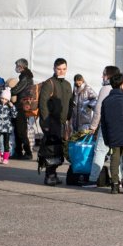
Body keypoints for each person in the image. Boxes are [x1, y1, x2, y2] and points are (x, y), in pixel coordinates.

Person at [88, 66, 123, 186]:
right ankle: (120, 180)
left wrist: (93, 126)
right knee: (120, 155)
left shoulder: (106, 88)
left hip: (108, 126)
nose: (102, 77)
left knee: (100, 151)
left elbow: (98, 110)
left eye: (104, 74)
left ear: (109, 76)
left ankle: (93, 179)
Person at [38, 58, 73, 186]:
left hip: (63, 123)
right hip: (51, 122)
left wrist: (68, 119)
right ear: (54, 68)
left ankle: (53, 174)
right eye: (59, 69)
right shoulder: (49, 83)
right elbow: (43, 105)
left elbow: (70, 102)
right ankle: (50, 175)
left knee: (59, 150)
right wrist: (45, 125)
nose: (61, 71)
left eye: (64, 69)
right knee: (51, 150)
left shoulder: (68, 84)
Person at [9, 59, 34, 159]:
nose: (16, 68)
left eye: (17, 66)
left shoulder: (25, 77)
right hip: (21, 106)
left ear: (22, 67)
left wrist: (8, 90)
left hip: (21, 106)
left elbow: (17, 89)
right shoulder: (26, 76)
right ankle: (18, 151)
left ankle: (28, 153)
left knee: (21, 131)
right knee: (17, 130)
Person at [0, 89, 16, 164]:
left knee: (6, 143)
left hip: (7, 128)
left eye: (6, 99)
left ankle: (5, 158)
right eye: (2, 98)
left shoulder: (9, 106)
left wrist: (12, 107)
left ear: (8, 100)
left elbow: (14, 115)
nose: (3, 100)